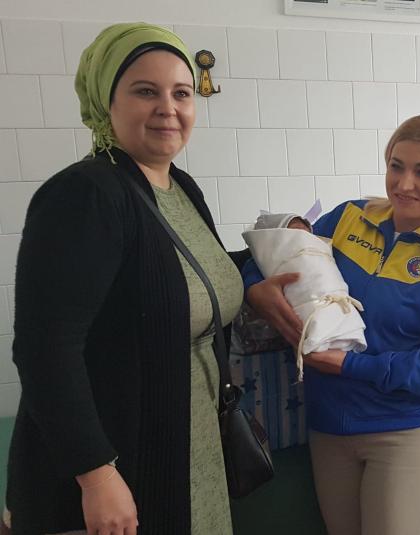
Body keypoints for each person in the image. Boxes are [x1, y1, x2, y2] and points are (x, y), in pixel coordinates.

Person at [4, 23, 245, 535]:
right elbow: (45, 349)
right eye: (145, 91)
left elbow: (183, 274)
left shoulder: (180, 186)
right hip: (120, 463)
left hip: (191, 442)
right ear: (106, 102)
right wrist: (96, 475)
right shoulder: (85, 194)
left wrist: (266, 272)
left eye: (181, 93)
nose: (168, 108)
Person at [244, 115, 420, 535]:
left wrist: (349, 365)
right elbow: (273, 255)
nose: (404, 184)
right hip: (328, 428)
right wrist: (255, 289)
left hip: (403, 436)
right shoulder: (348, 218)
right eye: (396, 166)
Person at [242, 211, 367, 382]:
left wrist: (354, 365)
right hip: (321, 385)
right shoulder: (348, 214)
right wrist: (254, 287)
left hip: (384, 392)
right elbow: (266, 252)